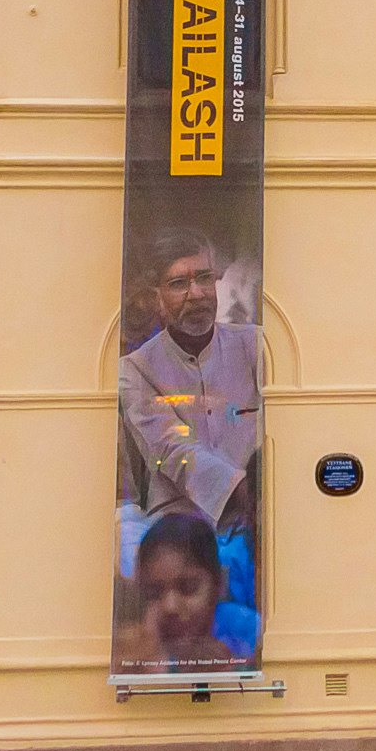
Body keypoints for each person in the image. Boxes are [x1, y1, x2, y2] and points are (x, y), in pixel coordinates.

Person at [118, 227, 261, 530]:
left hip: (257, 520)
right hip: (178, 532)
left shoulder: (255, 345)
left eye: (205, 278)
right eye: (179, 283)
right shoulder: (135, 369)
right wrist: (243, 490)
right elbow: (172, 449)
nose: (196, 294)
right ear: (156, 296)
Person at [116, 512, 248, 672]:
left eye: (188, 588)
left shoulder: (245, 630)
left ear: (217, 584)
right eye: (154, 593)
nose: (170, 607)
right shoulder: (140, 645)